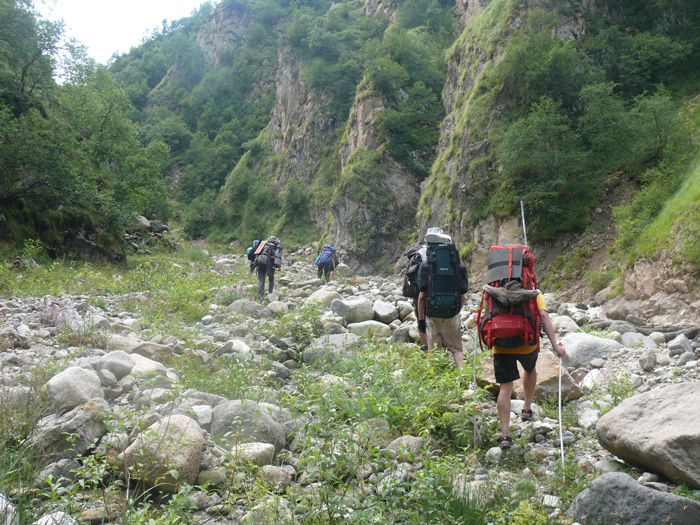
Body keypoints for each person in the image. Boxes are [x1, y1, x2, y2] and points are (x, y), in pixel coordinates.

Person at [493, 292, 565, 449]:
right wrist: (555, 346)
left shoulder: (494, 290)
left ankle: (505, 435)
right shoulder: (533, 292)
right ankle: (527, 408)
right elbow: (544, 317)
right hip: (527, 342)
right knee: (530, 369)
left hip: (501, 344)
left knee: (505, 387)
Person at [417, 228, 468, 371]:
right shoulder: (455, 266)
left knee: (434, 353)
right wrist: (455, 310)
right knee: (457, 348)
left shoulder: (426, 266)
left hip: (433, 315)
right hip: (452, 313)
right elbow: (463, 295)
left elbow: (421, 296)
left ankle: (437, 384)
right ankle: (462, 376)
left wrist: (421, 322)